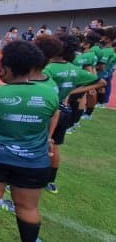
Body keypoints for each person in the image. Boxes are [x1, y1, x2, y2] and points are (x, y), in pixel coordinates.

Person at [0, 41, 59, 242]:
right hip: (33, 160)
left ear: (5, 70)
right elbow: (51, 115)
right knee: (28, 207)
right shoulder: (49, 93)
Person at [42, 35, 105, 193]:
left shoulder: (48, 69)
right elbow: (100, 82)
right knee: (55, 146)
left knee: (39, 145)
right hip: (64, 110)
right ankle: (50, 182)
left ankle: (31, 179)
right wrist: (71, 91)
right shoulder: (74, 69)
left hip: (48, 110)